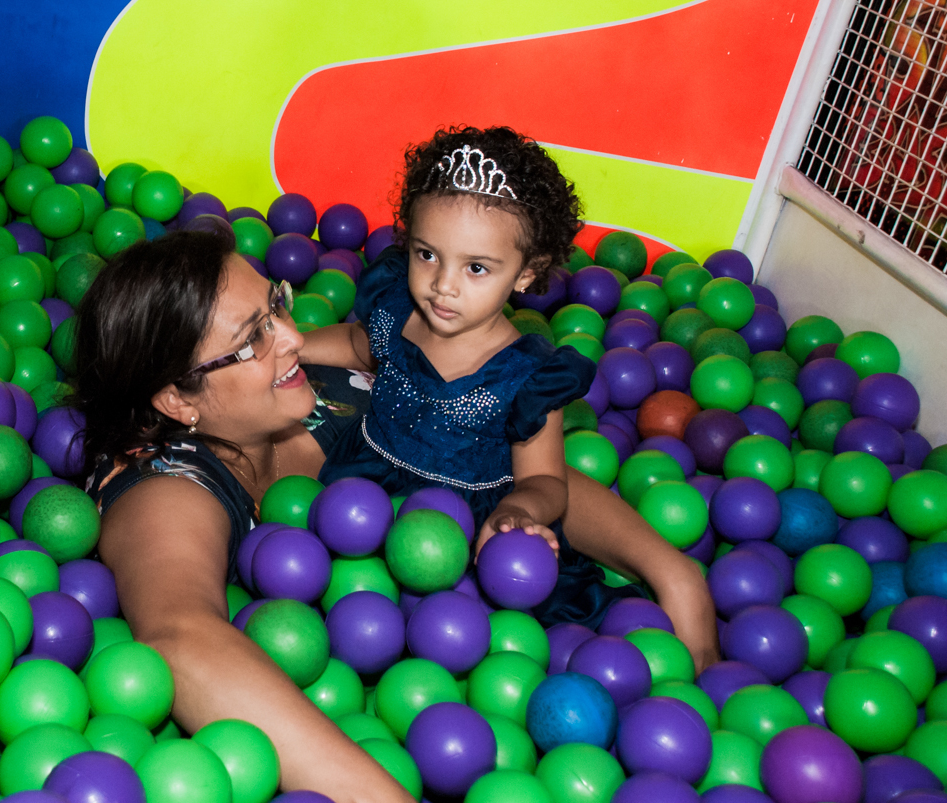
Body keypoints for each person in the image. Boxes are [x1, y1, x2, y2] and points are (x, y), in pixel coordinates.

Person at [75, 236, 716, 802]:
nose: (294, 335)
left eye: (276, 303)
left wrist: (674, 574)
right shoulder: (168, 487)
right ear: (175, 397)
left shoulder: (308, 384)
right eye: (253, 338)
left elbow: (494, 463)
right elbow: (181, 636)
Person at [302, 125, 632, 626]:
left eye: (476, 268)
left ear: (525, 273)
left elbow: (545, 478)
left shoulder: (527, 378)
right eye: (426, 254)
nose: (442, 285)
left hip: (468, 529)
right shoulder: (397, 312)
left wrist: (520, 514)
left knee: (463, 622)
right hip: (365, 494)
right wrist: (296, 344)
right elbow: (356, 345)